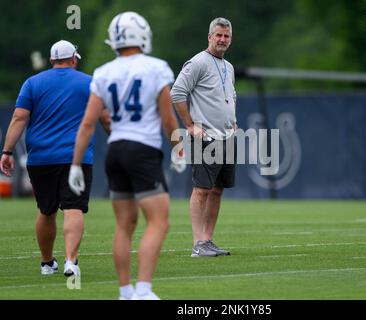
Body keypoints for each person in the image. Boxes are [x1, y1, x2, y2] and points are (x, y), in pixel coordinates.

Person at [68, 11, 184, 300]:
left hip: (116, 150)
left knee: (124, 225)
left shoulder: (104, 72)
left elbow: (87, 123)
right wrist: (179, 148)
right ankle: (143, 291)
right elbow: (168, 119)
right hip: (142, 150)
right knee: (158, 221)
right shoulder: (156, 68)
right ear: (143, 35)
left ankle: (125, 292)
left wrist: (75, 165)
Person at [0, 40, 106, 277]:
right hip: (75, 158)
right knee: (73, 207)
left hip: (41, 159)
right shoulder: (89, 82)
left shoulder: (32, 83)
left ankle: (47, 264)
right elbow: (104, 117)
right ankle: (71, 261)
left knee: (46, 210)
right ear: (74, 59)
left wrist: (7, 151)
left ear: (51, 61)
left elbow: (18, 118)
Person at [171, 17, 236, 257]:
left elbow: (232, 95)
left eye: (226, 36)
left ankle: (207, 240)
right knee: (201, 189)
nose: (222, 39)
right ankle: (198, 244)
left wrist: (234, 121)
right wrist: (189, 124)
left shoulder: (228, 66)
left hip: (226, 136)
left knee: (218, 189)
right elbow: (176, 92)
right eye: (218, 35)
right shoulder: (198, 62)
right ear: (209, 36)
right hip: (205, 136)